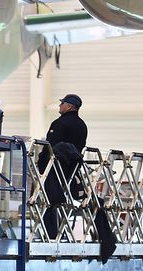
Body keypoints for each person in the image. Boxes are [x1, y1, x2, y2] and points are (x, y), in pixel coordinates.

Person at [37, 94, 115, 262]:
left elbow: (50, 147)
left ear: (70, 106)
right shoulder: (82, 125)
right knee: (80, 198)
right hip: (72, 170)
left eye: (62, 103)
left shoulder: (60, 123)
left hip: (56, 170)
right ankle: (100, 234)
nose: (60, 106)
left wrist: (40, 166)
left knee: (46, 200)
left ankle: (50, 235)